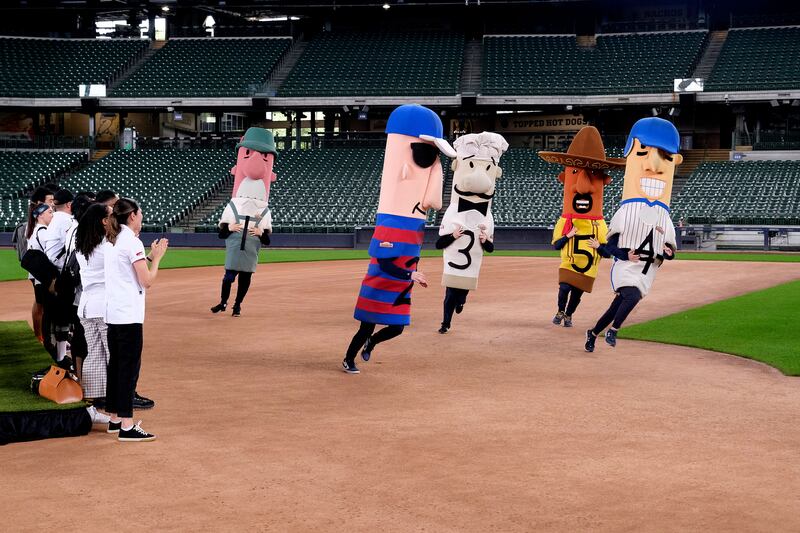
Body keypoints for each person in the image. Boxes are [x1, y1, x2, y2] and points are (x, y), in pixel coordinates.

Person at [343, 104, 455, 374]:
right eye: (429, 158)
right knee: (366, 325)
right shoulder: (391, 222)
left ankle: (371, 343)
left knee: (396, 327)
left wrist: (413, 273)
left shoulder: (416, 222)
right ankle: (349, 359)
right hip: (380, 284)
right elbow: (383, 262)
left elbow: (407, 253)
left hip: (400, 287)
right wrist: (410, 276)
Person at [584, 117, 683, 352]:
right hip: (626, 269)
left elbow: (669, 254)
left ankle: (593, 332)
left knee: (616, 305)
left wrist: (668, 253)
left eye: (666, 157)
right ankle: (614, 331)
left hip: (647, 273)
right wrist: (625, 255)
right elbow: (610, 250)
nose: (655, 165)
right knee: (631, 297)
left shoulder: (665, 218)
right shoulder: (624, 213)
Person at [538, 126, 625, 328]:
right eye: (575, 173)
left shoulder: (600, 224)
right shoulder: (565, 221)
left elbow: (606, 253)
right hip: (568, 264)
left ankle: (568, 314)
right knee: (564, 288)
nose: (583, 185)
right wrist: (568, 235)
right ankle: (560, 310)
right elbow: (556, 245)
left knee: (577, 294)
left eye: (593, 174)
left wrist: (598, 247)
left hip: (587, 268)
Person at [104, 198, 168, 442]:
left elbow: (129, 271)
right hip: (128, 315)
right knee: (128, 369)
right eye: (140, 212)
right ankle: (127, 426)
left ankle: (115, 419)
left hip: (114, 313)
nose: (141, 216)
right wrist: (159, 258)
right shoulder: (131, 241)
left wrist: (149, 256)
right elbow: (147, 281)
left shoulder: (112, 239)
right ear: (132, 216)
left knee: (116, 367)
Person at [436, 131, 508, 334]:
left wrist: (485, 240)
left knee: (461, 295)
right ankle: (445, 323)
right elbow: (438, 244)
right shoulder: (452, 211)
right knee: (450, 294)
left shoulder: (488, 216)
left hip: (471, 265)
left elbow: (491, 248)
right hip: (453, 263)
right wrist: (453, 236)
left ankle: (462, 302)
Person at [210, 128, 277, 317]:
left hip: (250, 250)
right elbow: (221, 233)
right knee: (228, 277)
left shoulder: (264, 211)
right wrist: (229, 227)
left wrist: (261, 233)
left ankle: (237, 305)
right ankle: (223, 302)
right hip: (234, 247)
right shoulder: (232, 206)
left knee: (245, 280)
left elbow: (268, 241)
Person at [75, 202, 113, 425]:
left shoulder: (83, 245)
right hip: (104, 307)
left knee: (94, 356)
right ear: (103, 221)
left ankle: (91, 404)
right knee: (114, 356)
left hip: (86, 306)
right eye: (110, 215)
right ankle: (116, 405)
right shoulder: (106, 246)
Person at [41, 188, 74, 363]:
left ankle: (60, 353)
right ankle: (62, 357)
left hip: (51, 272)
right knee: (64, 318)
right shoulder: (67, 221)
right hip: (61, 274)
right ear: (69, 204)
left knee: (57, 317)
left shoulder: (55, 219)